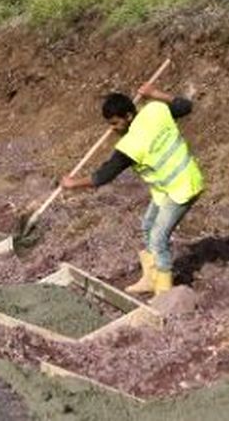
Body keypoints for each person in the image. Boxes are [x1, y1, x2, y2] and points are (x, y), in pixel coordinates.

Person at [59, 82, 204, 296]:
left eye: (115, 123)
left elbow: (104, 175)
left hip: (183, 187)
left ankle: (165, 292)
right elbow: (184, 106)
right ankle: (150, 278)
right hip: (166, 188)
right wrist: (155, 93)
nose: (113, 129)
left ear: (128, 116)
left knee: (157, 237)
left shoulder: (131, 144)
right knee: (147, 226)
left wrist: (73, 184)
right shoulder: (155, 110)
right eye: (109, 124)